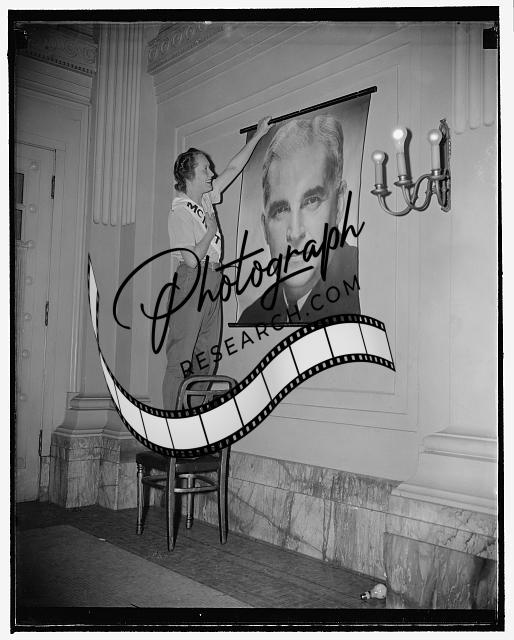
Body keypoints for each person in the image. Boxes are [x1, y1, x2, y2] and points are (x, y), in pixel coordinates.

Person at [162, 117, 272, 409]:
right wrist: (210, 230)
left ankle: (195, 421)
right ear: (189, 175)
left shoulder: (206, 200)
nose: (212, 173)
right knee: (181, 360)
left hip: (212, 279)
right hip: (192, 280)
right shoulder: (180, 212)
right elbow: (190, 258)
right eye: (205, 169)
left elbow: (234, 168)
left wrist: (258, 134)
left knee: (206, 359)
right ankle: (171, 427)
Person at [238, 114, 360, 325]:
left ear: (339, 204)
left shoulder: (368, 279)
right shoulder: (252, 318)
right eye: (281, 209)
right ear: (265, 228)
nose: (295, 233)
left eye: (311, 201)